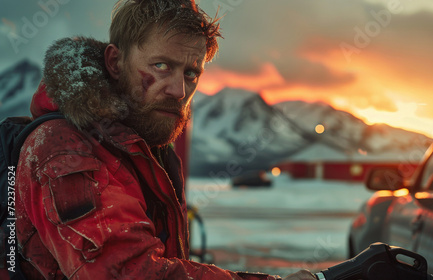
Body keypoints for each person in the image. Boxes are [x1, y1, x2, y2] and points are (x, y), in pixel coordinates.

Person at [15, 0, 317, 279]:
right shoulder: (63, 148)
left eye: (190, 73)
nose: (179, 91)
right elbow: (128, 272)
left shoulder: (145, 147)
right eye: (161, 66)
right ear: (115, 62)